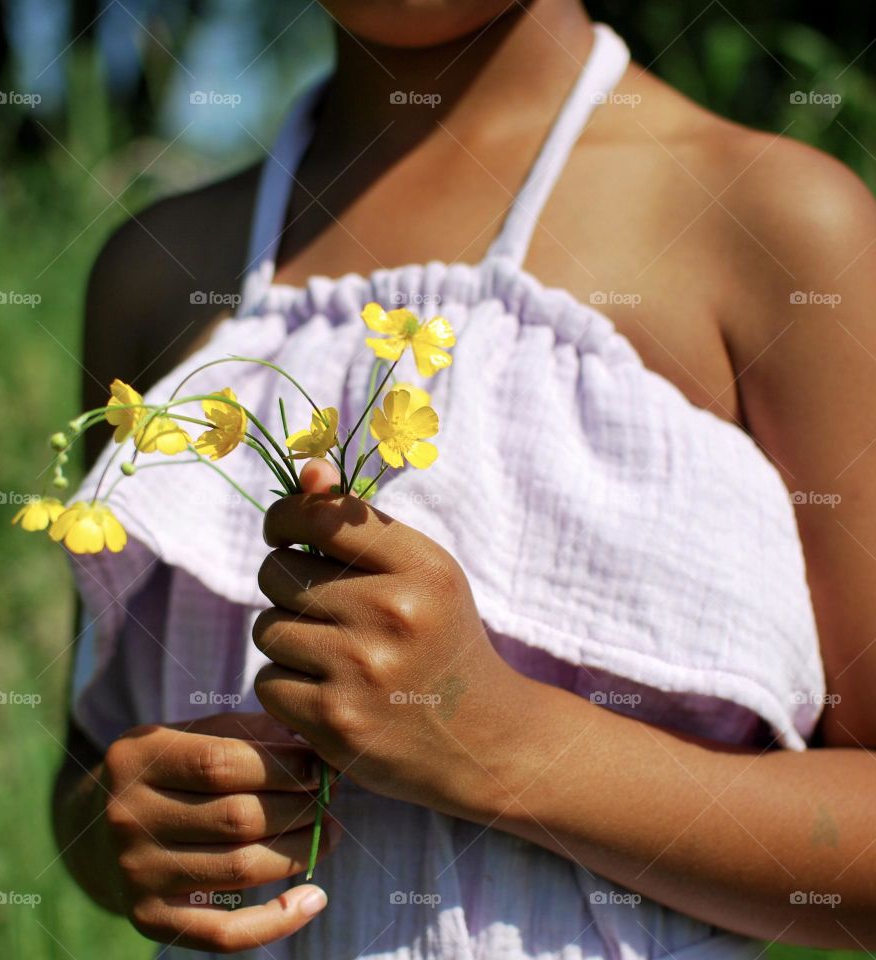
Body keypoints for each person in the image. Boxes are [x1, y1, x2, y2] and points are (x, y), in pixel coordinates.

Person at [52, 1, 876, 957]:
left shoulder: (775, 228)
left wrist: (508, 746)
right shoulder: (158, 275)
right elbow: (84, 775)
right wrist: (127, 834)